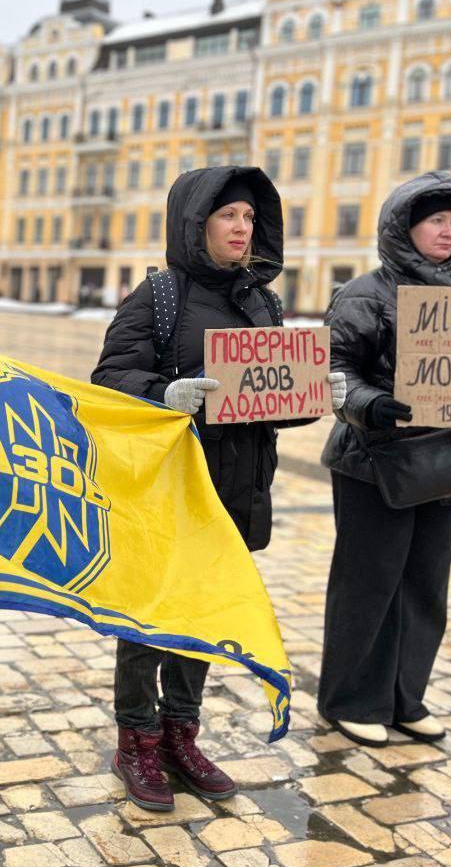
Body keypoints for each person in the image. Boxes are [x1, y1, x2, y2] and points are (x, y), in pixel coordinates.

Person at [92, 166, 346, 812]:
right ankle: (137, 741)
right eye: (229, 215)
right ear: (195, 223)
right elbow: (109, 377)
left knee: (204, 615)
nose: (242, 228)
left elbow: (268, 398)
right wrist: (163, 392)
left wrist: (315, 397)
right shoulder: (160, 296)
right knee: (149, 618)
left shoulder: (263, 302)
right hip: (171, 485)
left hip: (238, 486)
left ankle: (182, 733)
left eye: (250, 218)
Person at [319, 171, 451, 747]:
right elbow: (333, 369)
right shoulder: (364, 293)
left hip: (444, 461)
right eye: (437, 220)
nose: (448, 232)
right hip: (376, 460)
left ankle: (403, 696)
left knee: (424, 587)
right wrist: (374, 405)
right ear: (404, 226)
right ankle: (350, 698)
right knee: (369, 585)